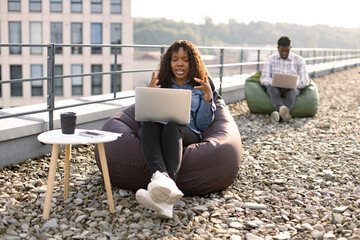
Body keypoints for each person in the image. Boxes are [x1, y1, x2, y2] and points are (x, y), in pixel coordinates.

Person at [135, 40, 216, 218]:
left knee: (172, 127)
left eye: (185, 60)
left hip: (187, 132)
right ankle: (164, 192)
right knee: (147, 128)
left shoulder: (200, 85)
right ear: (168, 62)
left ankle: (162, 184)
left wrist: (208, 97)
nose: (179, 63)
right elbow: (143, 121)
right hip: (159, 129)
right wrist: (150, 95)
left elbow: (203, 125)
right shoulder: (162, 83)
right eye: (175, 59)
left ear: (192, 62)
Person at [260, 36, 309, 122]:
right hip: (274, 87)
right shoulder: (271, 59)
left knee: (292, 92)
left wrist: (293, 83)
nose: (284, 53)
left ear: (290, 48)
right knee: (273, 90)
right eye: (282, 50)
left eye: (287, 50)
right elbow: (263, 79)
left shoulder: (299, 60)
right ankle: (282, 112)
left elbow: (305, 81)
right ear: (277, 48)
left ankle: (278, 115)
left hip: (292, 88)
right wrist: (274, 82)